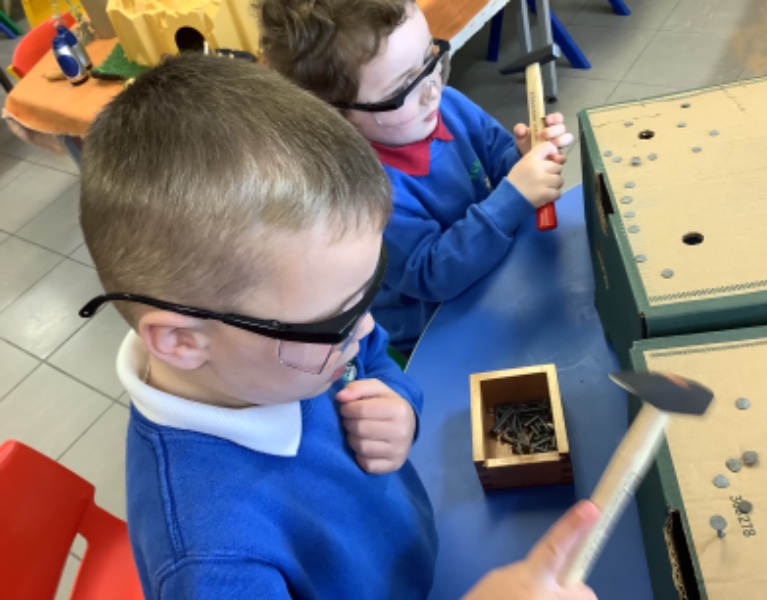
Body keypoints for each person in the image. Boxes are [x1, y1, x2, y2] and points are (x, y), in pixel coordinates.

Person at [79, 54, 598, 599]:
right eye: (339, 320)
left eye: (367, 292)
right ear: (182, 341)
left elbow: (370, 354)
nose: (368, 326)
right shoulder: (211, 561)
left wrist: (399, 401)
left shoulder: (286, 341)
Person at [260, 0, 574, 352]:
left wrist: (522, 157)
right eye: (403, 88)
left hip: (494, 278)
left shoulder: (449, 105)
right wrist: (514, 195)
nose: (432, 89)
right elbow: (433, 275)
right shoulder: (364, 192)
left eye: (429, 59)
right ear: (336, 117)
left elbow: (497, 161)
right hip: (436, 330)